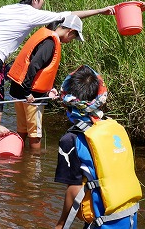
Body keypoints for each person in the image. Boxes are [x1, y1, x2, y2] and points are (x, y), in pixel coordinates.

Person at [0, 0, 115, 126]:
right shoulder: (31, 13)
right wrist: (100, 11)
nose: (43, 2)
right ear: (35, 0)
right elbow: (70, 15)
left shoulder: (6, 8)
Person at [54, 65, 141, 228]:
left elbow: (74, 189)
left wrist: (60, 224)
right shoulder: (114, 127)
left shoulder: (71, 140)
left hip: (103, 223)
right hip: (130, 216)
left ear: (66, 101)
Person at [7, 14, 83, 150]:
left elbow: (41, 69)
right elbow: (34, 65)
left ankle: (18, 159)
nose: (71, 40)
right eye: (73, 37)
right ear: (70, 31)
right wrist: (27, 92)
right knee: (35, 134)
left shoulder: (45, 35)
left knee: (22, 128)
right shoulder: (50, 43)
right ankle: (34, 165)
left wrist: (48, 89)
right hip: (30, 94)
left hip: (17, 89)